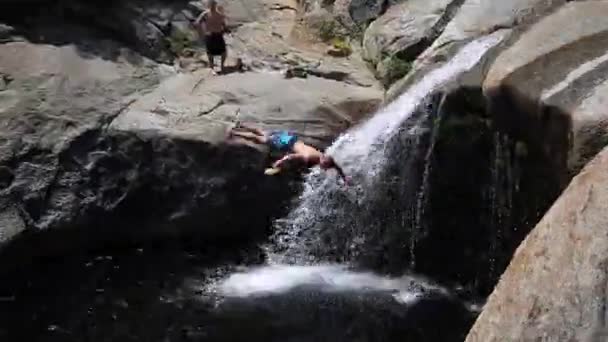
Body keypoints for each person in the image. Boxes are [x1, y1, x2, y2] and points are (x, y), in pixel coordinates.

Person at [228, 123, 352, 184]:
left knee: (264, 133)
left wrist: (344, 177)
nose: (323, 169)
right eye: (324, 167)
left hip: (292, 138)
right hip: (285, 143)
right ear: (322, 163)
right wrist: (280, 162)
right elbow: (292, 156)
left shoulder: (324, 156)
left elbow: (335, 165)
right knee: (261, 139)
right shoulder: (307, 157)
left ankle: (241, 124)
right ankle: (235, 133)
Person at [195, 0, 227, 72]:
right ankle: (212, 68)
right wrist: (201, 32)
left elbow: (224, 24)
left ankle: (222, 66)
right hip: (209, 34)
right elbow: (197, 22)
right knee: (210, 53)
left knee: (223, 52)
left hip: (218, 34)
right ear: (209, 5)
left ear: (215, 5)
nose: (212, 6)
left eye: (214, 4)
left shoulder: (219, 14)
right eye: (211, 4)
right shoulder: (205, 14)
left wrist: (224, 30)